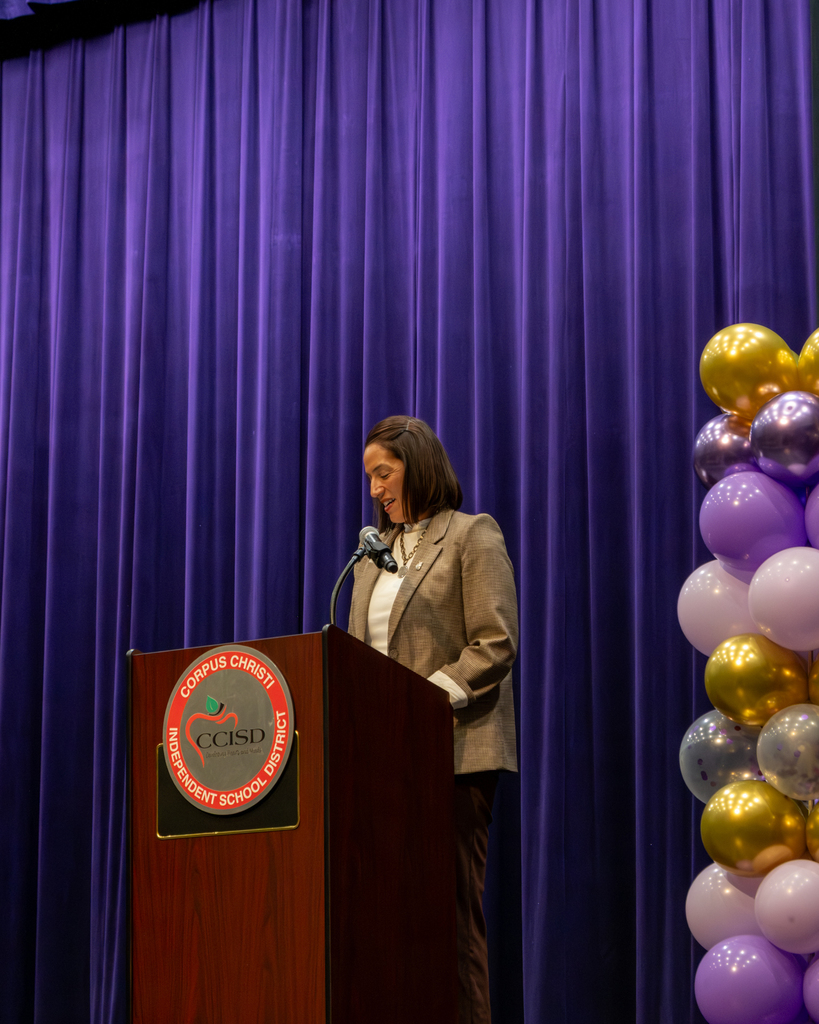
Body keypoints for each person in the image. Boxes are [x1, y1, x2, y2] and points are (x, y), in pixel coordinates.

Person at [348, 414, 518, 1024]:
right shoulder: (371, 558)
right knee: (387, 918)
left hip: (454, 755)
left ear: (416, 466)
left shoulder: (472, 536)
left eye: (383, 473)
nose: (373, 489)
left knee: (449, 916)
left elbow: (495, 642)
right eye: (368, 477)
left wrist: (424, 703)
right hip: (383, 764)